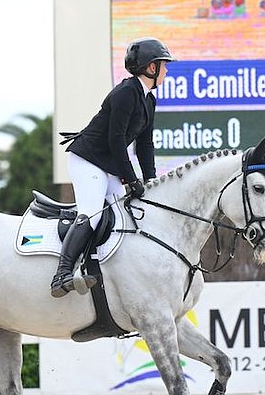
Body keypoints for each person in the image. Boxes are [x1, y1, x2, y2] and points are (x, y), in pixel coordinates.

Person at [50, 37, 176, 298]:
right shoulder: (126, 92)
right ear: (151, 68)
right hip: (87, 159)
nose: (167, 70)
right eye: (164, 65)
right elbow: (115, 139)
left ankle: (102, 268)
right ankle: (62, 273)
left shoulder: (148, 99)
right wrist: (131, 178)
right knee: (93, 212)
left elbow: (145, 144)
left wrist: (150, 181)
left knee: (126, 215)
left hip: (107, 165)